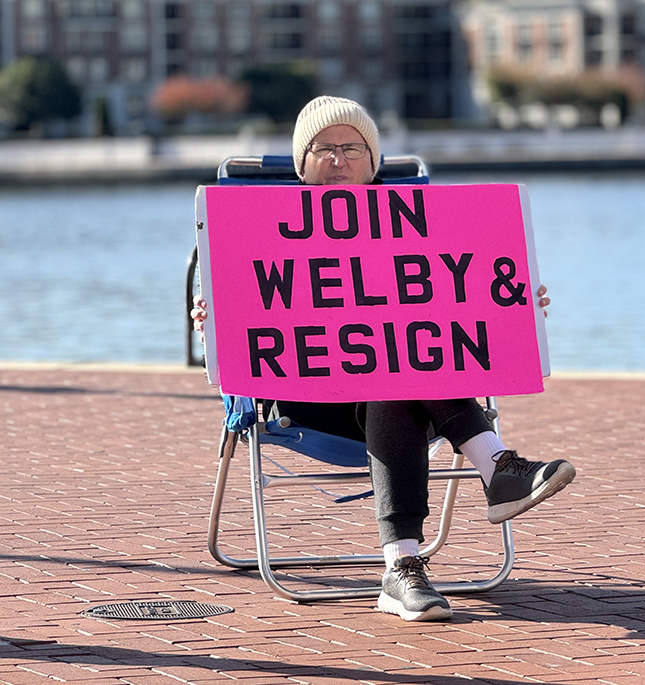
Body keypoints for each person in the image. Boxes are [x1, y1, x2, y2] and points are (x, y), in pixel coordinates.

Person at [193, 96, 576, 622]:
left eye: (352, 147)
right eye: (323, 148)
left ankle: (403, 568)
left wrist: (515, 302)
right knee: (397, 363)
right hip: (304, 401)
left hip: (409, 392)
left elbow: (463, 295)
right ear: (302, 163)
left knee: (395, 365)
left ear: (372, 161)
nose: (338, 158)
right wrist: (214, 317)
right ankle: (498, 467)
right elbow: (242, 302)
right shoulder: (261, 229)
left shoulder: (421, 229)